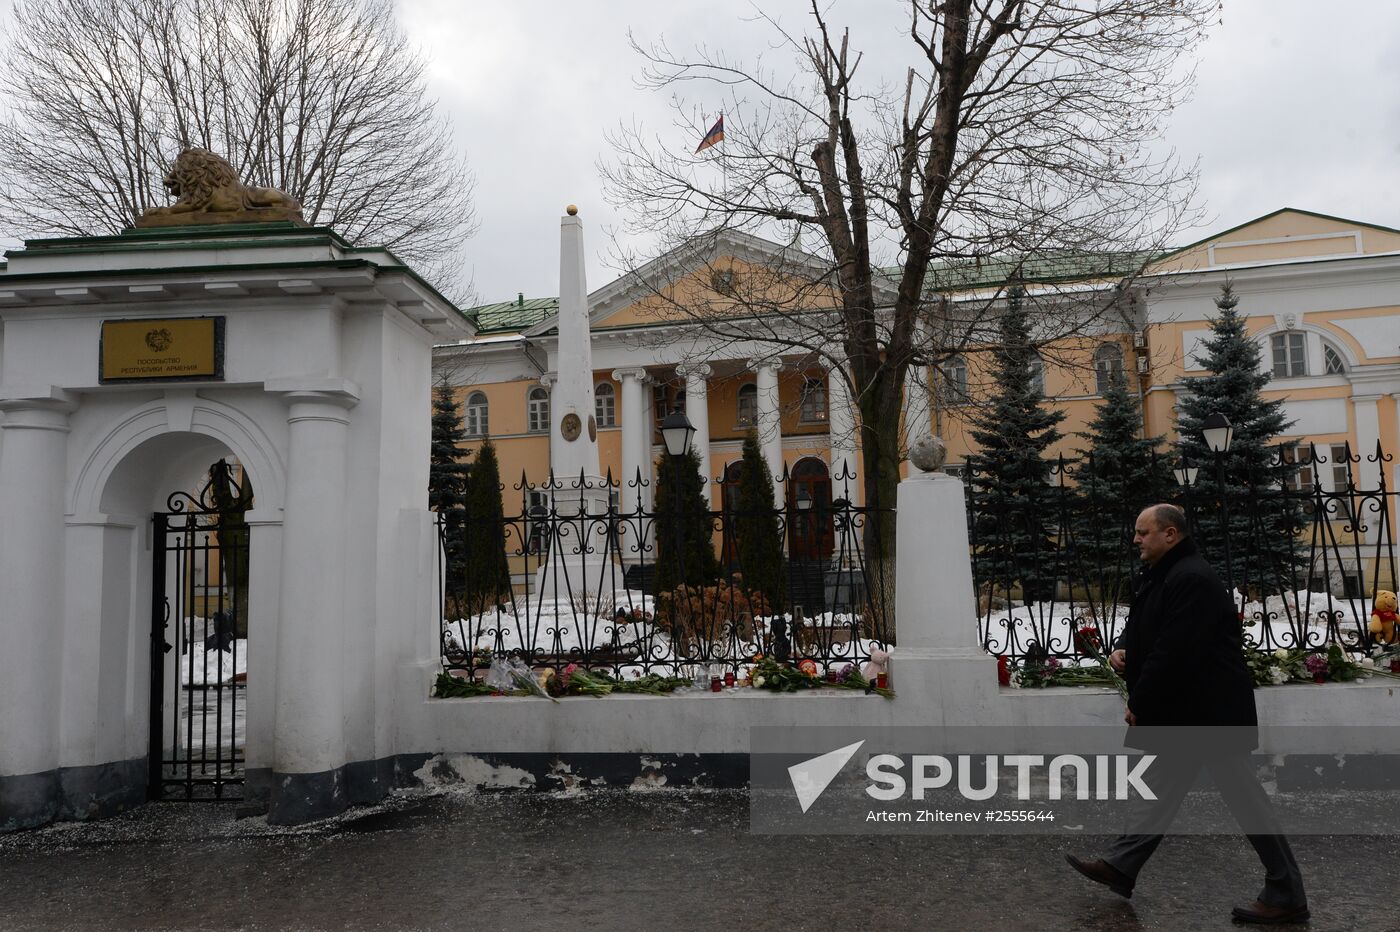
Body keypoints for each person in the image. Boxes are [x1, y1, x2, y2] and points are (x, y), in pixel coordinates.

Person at [1066, 503, 1308, 925]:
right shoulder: (1167, 574)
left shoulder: (1191, 578)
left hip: (1208, 714)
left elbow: (1174, 651)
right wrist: (1125, 647)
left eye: (1144, 532)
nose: (1136, 539)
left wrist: (1140, 700)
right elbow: (1147, 625)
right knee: (1159, 790)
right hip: (1192, 713)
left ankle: (1286, 892)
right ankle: (1121, 866)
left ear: (1170, 534)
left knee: (1247, 802)